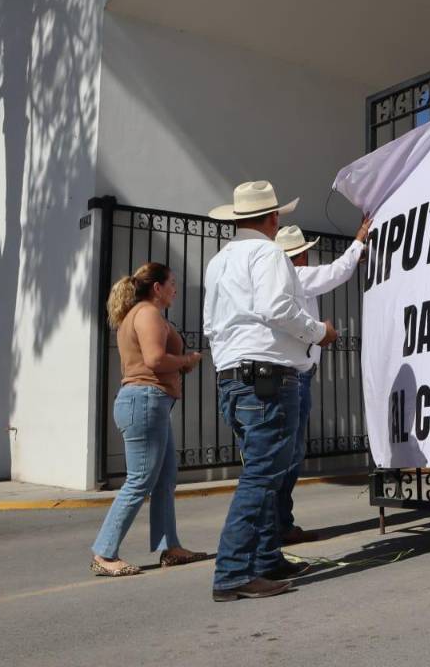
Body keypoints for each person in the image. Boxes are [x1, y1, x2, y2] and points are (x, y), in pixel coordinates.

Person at [203, 181, 338, 601]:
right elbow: (277, 309)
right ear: (273, 218)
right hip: (266, 378)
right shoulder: (268, 253)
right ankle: (232, 571)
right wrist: (318, 333)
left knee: (265, 470)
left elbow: (211, 325)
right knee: (263, 475)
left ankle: (265, 558)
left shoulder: (219, 261)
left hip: (234, 376)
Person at [90, 262, 207, 576]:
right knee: (140, 480)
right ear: (157, 287)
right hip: (145, 401)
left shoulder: (139, 314)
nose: (175, 289)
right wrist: (187, 360)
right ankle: (104, 552)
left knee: (166, 479)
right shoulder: (147, 314)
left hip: (149, 403)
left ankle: (171, 547)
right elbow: (155, 360)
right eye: (171, 283)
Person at [272, 216, 373, 544]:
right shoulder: (297, 276)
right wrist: (358, 239)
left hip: (298, 374)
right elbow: (338, 272)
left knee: (288, 452)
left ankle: (279, 522)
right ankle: (279, 524)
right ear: (298, 256)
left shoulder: (287, 278)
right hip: (297, 376)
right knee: (289, 453)